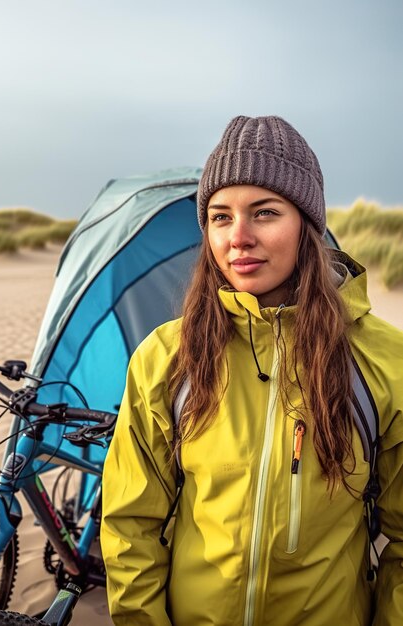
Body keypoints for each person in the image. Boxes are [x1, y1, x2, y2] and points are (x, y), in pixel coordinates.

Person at [101, 115, 403, 626]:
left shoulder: (383, 362)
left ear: (307, 225)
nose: (238, 237)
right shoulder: (167, 358)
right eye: (220, 217)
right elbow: (131, 524)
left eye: (264, 213)